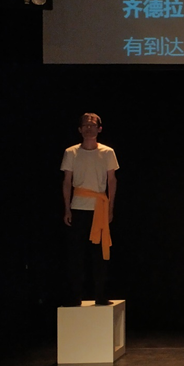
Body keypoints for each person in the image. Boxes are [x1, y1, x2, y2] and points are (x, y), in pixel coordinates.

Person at [61, 113, 119, 307]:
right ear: (80, 129)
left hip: (99, 208)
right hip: (78, 206)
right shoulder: (71, 152)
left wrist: (110, 208)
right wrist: (67, 208)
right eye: (85, 125)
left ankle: (100, 295)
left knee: (99, 255)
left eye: (92, 125)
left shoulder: (107, 152)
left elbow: (112, 181)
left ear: (99, 129)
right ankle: (75, 296)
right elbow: (67, 181)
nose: (88, 128)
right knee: (76, 255)